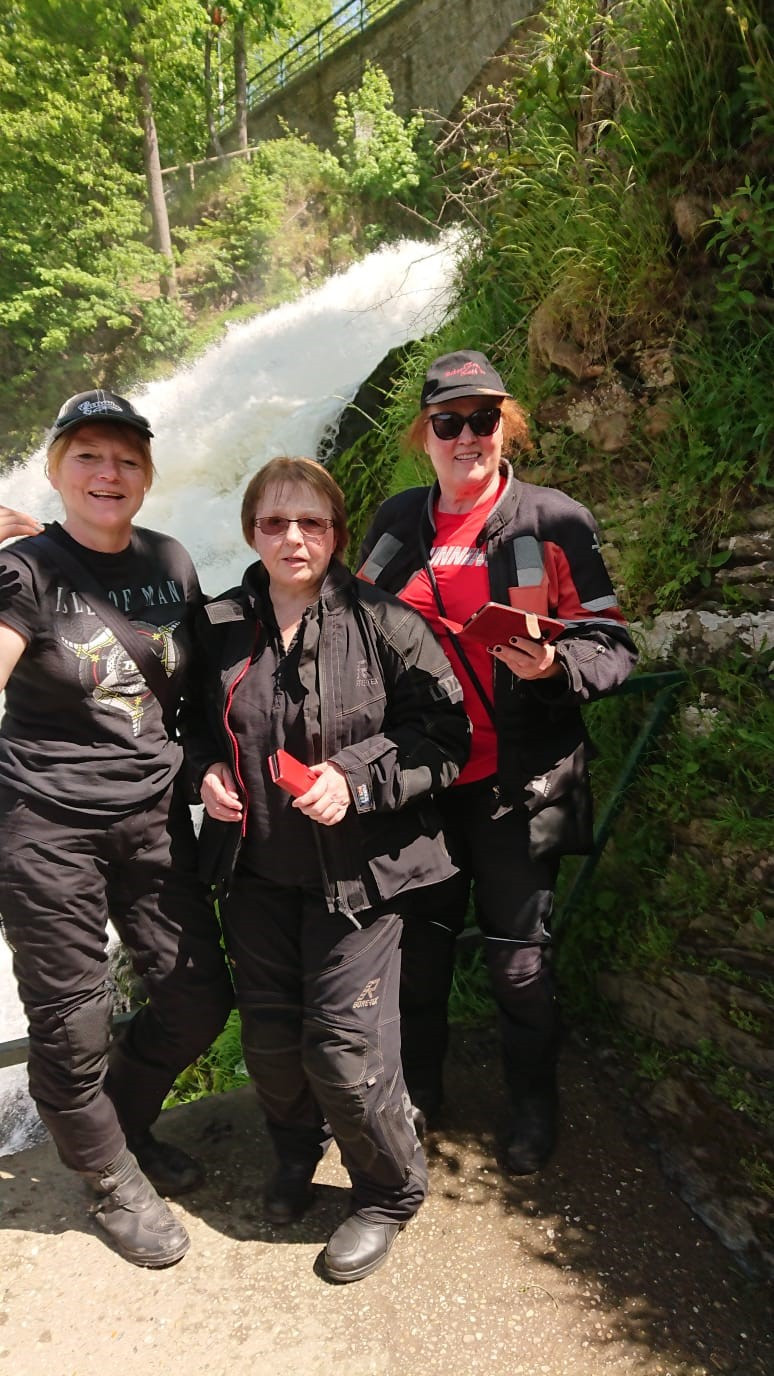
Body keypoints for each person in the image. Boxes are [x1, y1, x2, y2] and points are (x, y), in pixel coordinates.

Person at [185, 456, 470, 1283]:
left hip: (360, 878)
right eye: (273, 522)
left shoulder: (387, 622)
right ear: (251, 532)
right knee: (272, 1044)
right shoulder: (217, 623)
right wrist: (205, 771)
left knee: (344, 1051)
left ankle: (387, 1192)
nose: (293, 537)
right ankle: (294, 1152)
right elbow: (189, 725)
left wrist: (356, 781)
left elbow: (444, 738)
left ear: (338, 531)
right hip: (255, 875)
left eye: (311, 521)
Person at [357, 349, 638, 1174]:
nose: (466, 436)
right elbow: (351, 623)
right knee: (420, 958)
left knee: (519, 964)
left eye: (483, 419)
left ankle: (532, 1107)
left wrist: (556, 666)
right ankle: (421, 1098)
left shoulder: (555, 522)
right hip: (423, 784)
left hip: (519, 785)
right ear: (425, 435)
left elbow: (612, 642)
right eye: (448, 422)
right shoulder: (397, 522)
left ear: (505, 425)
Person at [0, 390, 233, 1268]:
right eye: (88, 455)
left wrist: (211, 766)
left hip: (153, 813)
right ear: (56, 469)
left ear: (147, 474)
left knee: (197, 996)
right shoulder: (23, 571)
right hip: (45, 825)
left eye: (127, 458)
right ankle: (105, 1178)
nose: (109, 472)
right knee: (73, 1022)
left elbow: (204, 686)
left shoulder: (170, 561)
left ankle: (124, 1128)